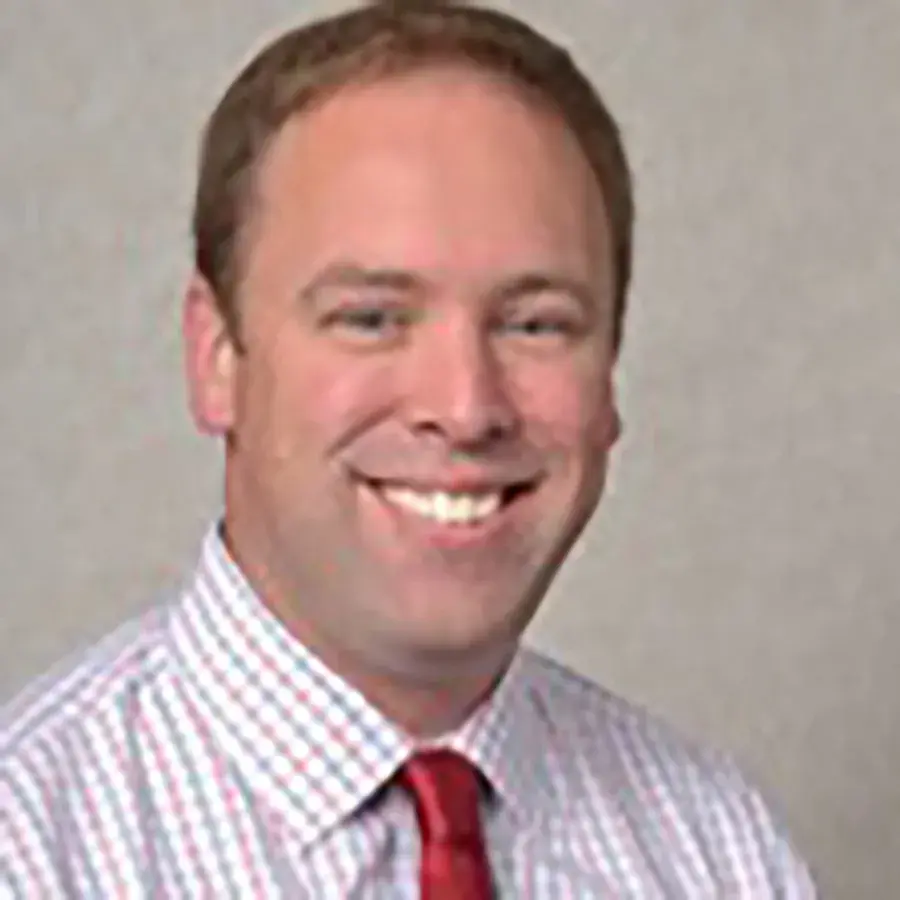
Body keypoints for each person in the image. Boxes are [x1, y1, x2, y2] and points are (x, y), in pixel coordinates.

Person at [2, 1, 818, 896]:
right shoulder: (33, 848)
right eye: (372, 318)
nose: (466, 408)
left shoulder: (713, 848)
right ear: (216, 357)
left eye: (536, 324)